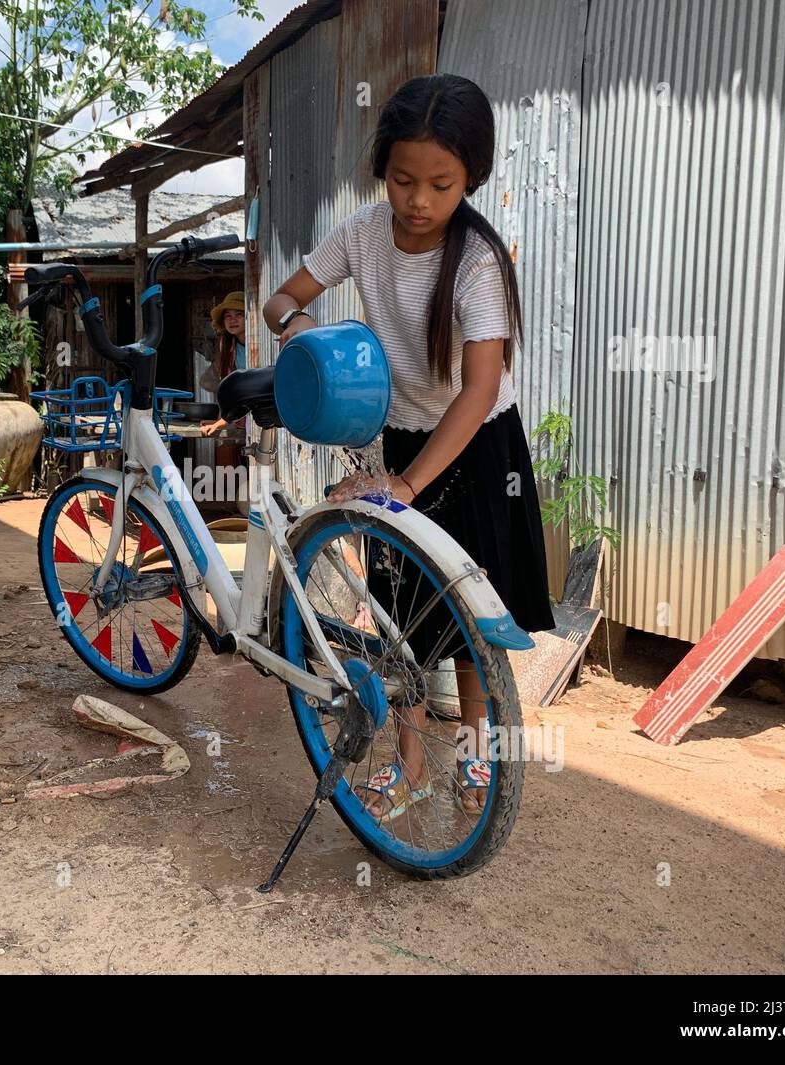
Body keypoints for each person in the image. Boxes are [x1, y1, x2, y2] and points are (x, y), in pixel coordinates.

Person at [262, 73, 555, 823]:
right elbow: (281, 298)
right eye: (402, 179)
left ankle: (480, 755)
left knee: (468, 626)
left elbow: (479, 390)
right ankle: (412, 764)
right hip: (400, 441)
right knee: (403, 625)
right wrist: (297, 330)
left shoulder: (479, 263)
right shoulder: (361, 233)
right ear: (382, 170)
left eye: (441, 183)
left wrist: (408, 486)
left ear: (472, 178)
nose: (418, 200)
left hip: (478, 449)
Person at [199, 291, 246, 439]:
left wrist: (221, 423)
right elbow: (228, 386)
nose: (233, 320)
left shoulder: (259, 341)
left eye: (239, 314)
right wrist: (221, 421)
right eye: (228, 316)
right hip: (243, 409)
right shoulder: (226, 344)